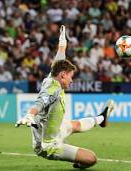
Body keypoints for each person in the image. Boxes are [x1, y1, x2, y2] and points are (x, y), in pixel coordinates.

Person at [16, 25, 115, 169]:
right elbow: (41, 101)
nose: (72, 80)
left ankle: (101, 118)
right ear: (63, 75)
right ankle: (75, 159)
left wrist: (63, 43)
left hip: (53, 128)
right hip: (48, 144)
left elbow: (60, 57)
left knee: (75, 125)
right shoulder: (53, 89)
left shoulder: (52, 77)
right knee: (92, 159)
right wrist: (30, 114)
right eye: (71, 77)